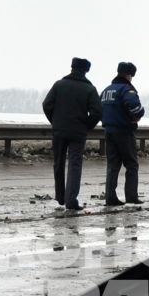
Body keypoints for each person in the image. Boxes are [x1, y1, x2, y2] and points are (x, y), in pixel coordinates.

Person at [42, 56, 101, 210]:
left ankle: (60, 197)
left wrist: (55, 121)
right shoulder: (90, 89)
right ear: (86, 71)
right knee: (75, 165)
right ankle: (71, 200)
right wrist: (86, 126)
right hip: (78, 133)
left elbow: (47, 105)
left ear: (72, 67)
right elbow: (97, 112)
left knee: (58, 163)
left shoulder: (59, 85)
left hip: (59, 131)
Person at [99, 60, 145, 206]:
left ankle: (110, 198)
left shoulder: (106, 90)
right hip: (124, 132)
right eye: (132, 75)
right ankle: (131, 197)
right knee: (131, 165)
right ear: (129, 75)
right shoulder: (126, 89)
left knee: (113, 166)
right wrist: (136, 116)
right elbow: (135, 107)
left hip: (108, 131)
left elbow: (100, 110)